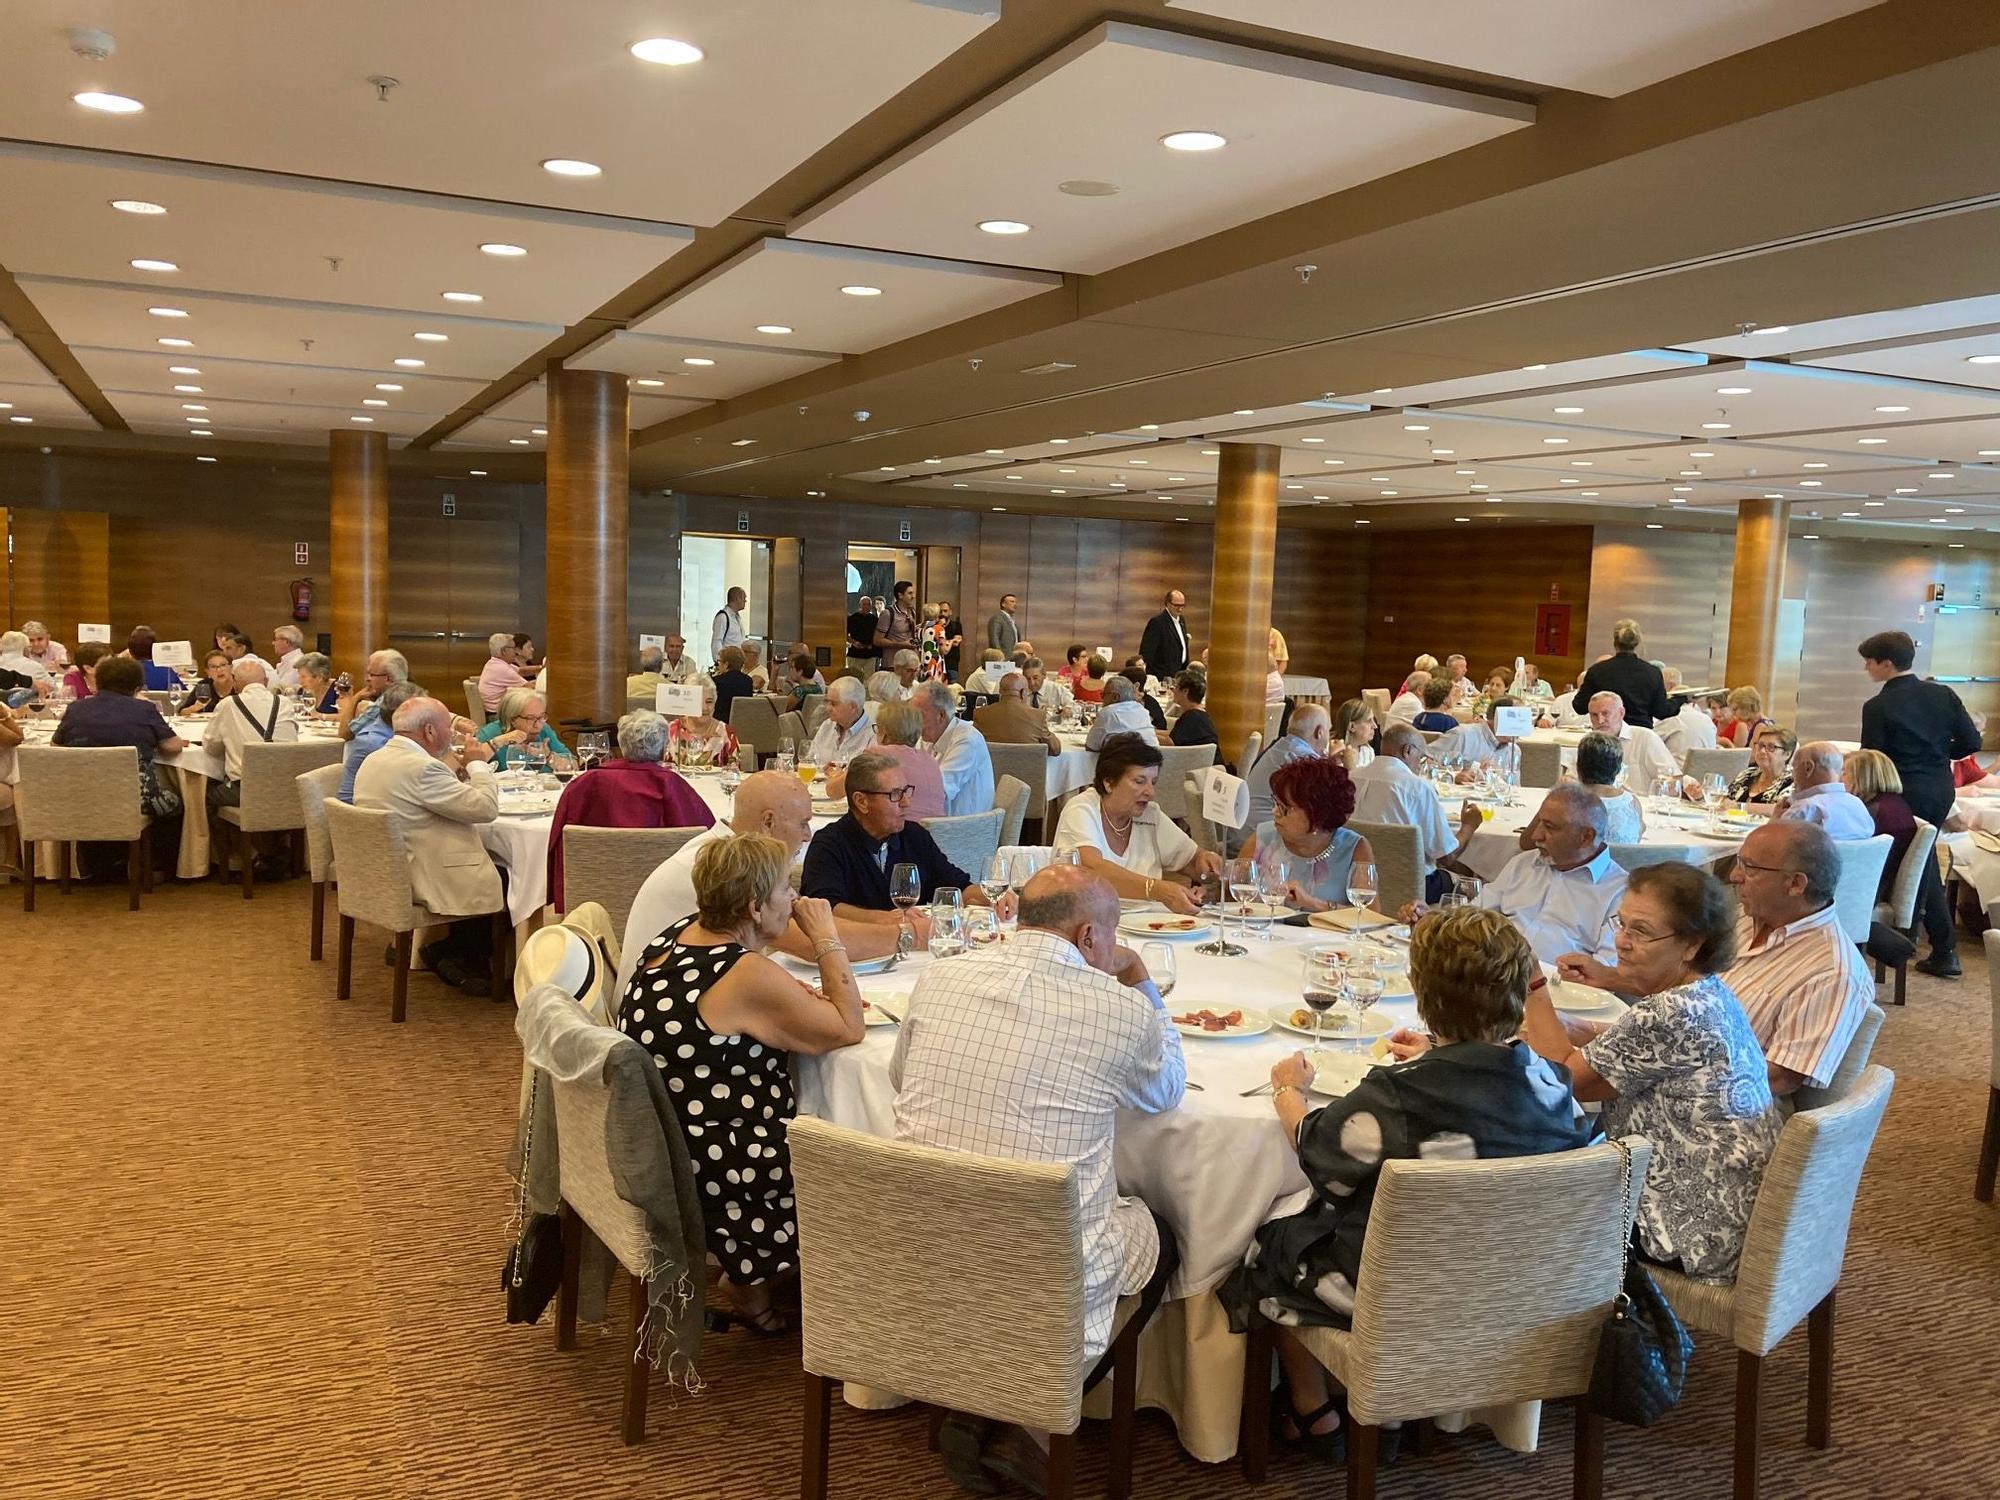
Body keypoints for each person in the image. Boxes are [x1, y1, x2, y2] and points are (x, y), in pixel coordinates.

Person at [1222, 907, 1587, 1457]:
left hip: (1401, 1296)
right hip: (1521, 1292)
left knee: (1271, 1243)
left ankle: (1313, 1409)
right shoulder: (1549, 1081)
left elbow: (1319, 1149)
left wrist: (1286, 1093)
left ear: (1422, 993)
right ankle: (1393, 1416)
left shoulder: (1396, 1096)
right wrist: (1440, 1059)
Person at [893, 865, 1185, 1492]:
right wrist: (1141, 983)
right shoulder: (1116, 1006)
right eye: (1111, 936)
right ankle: (1028, 1412)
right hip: (1044, 1262)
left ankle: (978, 1404)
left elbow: (900, 1078)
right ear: (1087, 936)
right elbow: (1166, 1093)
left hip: (921, 1244)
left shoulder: (940, 975)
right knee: (1164, 1231)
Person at [616, 833, 863, 1330]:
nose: (794, 901)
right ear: (754, 906)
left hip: (666, 1141)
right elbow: (848, 1026)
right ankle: (781, 1282)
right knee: (863, 1166)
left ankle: (757, 1280)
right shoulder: (743, 972)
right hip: (726, 1166)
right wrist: (825, 937)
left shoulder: (675, 937)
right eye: (784, 891)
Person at [1527, 863, 1781, 1279]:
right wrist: (1582, 1028)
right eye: (1622, 925)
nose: (1621, 942)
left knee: (1520, 1197)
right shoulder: (1708, 992)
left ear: (1691, 945)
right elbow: (1655, 1049)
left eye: (1641, 932)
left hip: (1685, 1230)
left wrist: (1533, 985)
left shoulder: (1667, 1013)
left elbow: (1567, 1081)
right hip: (1732, 1209)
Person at [617, 772, 900, 997]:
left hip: (670, 998)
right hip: (668, 1020)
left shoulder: (721, 852)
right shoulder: (727, 869)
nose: (807, 836)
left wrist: (888, 922)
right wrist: (908, 934)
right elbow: (812, 941)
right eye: (803, 823)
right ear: (767, 822)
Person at [353, 696, 503, 991]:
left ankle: (447, 948)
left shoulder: (376, 758)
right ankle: (465, 957)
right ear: (430, 732)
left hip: (385, 869)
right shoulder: (422, 769)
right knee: (507, 872)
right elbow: (486, 809)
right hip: (420, 873)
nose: (453, 734)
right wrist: (478, 767)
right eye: (449, 727)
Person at [1858, 629, 1979, 979]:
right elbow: (1971, 740)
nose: (1867, 668)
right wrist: (1940, 753)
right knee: (1922, 859)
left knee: (1920, 861)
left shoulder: (1878, 706)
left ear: (1887, 663)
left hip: (1903, 791)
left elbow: (1874, 758)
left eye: (1870, 661)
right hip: (1940, 787)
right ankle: (1921, 938)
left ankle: (1941, 947)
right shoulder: (1942, 694)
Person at [799, 750, 999, 927]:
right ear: (861, 801)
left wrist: (995, 898)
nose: (906, 802)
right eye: (895, 794)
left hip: (914, 949)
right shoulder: (830, 845)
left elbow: (957, 886)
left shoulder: (914, 836)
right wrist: (885, 919)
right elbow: (824, 907)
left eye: (906, 791)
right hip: (859, 954)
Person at [544, 709, 715, 909]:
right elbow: (704, 841)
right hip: (661, 900)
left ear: (622, 745)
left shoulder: (584, 784)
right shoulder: (671, 785)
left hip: (592, 898)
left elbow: (558, 843)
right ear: (663, 748)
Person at [1053, 734, 1220, 913]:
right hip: (1088, 922)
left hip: (1146, 927)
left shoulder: (1150, 815)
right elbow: (1091, 869)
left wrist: (1206, 867)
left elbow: (1192, 863)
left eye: (1153, 782)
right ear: (1109, 782)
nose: (1150, 792)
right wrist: (1157, 890)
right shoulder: (1082, 809)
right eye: (1139, 781)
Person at [1462, 783, 1627, 964]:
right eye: (1539, 822)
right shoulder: (1524, 863)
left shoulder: (1619, 892)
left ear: (1586, 837)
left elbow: (1605, 969)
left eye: (1550, 827)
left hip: (1560, 986)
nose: (1536, 836)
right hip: (1494, 973)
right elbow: (1472, 916)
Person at [50, 654, 187, 831]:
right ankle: (155, 858)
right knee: (175, 806)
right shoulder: (143, 709)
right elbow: (173, 747)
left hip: (82, 795)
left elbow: (56, 747)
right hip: (135, 798)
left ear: (98, 682)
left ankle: (94, 857)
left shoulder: (76, 708)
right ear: (137, 687)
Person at [1352, 723, 1480, 901]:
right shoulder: (1417, 788)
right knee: (1476, 880)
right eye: (1420, 758)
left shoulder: (1351, 778)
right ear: (1407, 750)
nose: (1419, 767)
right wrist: (1469, 826)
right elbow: (1447, 856)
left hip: (1357, 880)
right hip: (1413, 887)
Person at [1243, 756, 1372, 911]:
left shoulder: (1354, 849)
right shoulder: (1263, 838)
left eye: (1285, 807)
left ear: (1317, 815)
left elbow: (1368, 917)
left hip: (1327, 935)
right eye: (1276, 803)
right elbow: (1233, 895)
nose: (1274, 812)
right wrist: (1213, 881)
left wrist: (1313, 904)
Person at [202, 659, 300, 810]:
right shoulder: (285, 703)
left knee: (200, 794)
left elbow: (211, 748)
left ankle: (221, 833)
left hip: (245, 790)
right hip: (286, 789)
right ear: (266, 681)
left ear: (234, 682)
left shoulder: (228, 704)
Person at [826, 698, 944, 815]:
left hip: (898, 830)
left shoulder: (877, 756)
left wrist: (834, 777)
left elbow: (833, 791)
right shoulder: (930, 760)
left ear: (884, 735)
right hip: (936, 832)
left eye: (877, 728)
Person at [1244, 703, 1331, 837]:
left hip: (1246, 834)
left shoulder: (1280, 748)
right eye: (1329, 732)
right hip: (1261, 842)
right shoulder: (1302, 759)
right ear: (1319, 733)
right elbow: (1326, 805)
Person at [1570, 619, 1673, 727]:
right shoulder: (1652, 673)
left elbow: (1579, 707)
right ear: (1638, 643)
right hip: (1639, 735)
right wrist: (1680, 699)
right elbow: (1662, 711)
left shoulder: (1597, 671)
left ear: (1614, 642)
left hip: (1606, 734)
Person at [914, 679, 994, 817]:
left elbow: (939, 790)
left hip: (962, 829)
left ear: (941, 715)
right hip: (938, 820)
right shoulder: (927, 736)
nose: (914, 722)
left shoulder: (967, 740)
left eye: (919, 716)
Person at [338, 679, 422, 804]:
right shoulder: (376, 744)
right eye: (421, 711)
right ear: (403, 714)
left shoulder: (392, 731)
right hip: (363, 815)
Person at [1587, 691, 1682, 796]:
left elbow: (1672, 780)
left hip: (1642, 806)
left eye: (1605, 713)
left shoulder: (1645, 738)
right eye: (1594, 715)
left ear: (1621, 713)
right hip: (1600, 807)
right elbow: (1572, 778)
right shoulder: (1589, 744)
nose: (1600, 720)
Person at [1776, 741, 1874, 839]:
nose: (1792, 777)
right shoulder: (1858, 805)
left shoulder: (1804, 810)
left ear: (1808, 768)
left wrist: (1774, 821)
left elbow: (1770, 848)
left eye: (1794, 768)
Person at [1574, 730, 1646, 844]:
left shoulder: (1565, 801)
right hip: (1623, 862)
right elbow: (1637, 838)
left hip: (1581, 862)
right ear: (1617, 770)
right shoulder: (1632, 803)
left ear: (1578, 766)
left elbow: (1535, 840)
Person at [475, 688, 573, 770]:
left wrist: (549, 757)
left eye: (542, 716)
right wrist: (498, 742)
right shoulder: (490, 733)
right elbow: (470, 767)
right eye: (530, 718)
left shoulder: (544, 730)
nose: (538, 725)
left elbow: (574, 766)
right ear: (512, 719)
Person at [974, 672, 1062, 755]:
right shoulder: (1038, 716)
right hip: (1028, 770)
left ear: (1000, 691)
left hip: (992, 770)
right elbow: (1055, 750)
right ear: (1023, 692)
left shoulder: (981, 714)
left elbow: (972, 746)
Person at [806, 675, 875, 772]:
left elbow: (868, 776)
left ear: (852, 708)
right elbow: (809, 761)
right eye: (827, 702)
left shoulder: (872, 735)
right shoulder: (827, 725)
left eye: (834, 704)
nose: (828, 708)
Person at [1721, 722, 1796, 806]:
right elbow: (1725, 801)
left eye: (1771, 747)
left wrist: (1738, 807)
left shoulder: (1793, 781)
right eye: (1760, 745)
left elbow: (1779, 809)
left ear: (1787, 754)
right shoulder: (1747, 774)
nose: (1762, 751)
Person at [667, 678, 739, 766]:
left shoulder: (727, 733)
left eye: (709, 702)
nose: (705, 708)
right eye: (698, 702)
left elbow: (734, 772)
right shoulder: (670, 731)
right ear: (687, 703)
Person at [1084, 674, 1157, 750]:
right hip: (1151, 759)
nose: (1102, 699)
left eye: (1103, 695)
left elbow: (1090, 746)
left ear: (1115, 697)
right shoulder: (1143, 710)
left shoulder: (1107, 712)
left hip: (1122, 760)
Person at [1138, 589, 1191, 679]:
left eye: (1182, 605)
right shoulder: (1157, 622)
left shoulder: (1182, 620)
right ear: (1168, 604)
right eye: (1177, 605)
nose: (1180, 608)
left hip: (1179, 674)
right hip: (1162, 676)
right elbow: (1147, 652)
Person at [1659, 684, 1721, 761]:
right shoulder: (1707, 719)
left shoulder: (1671, 718)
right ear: (1694, 703)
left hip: (1679, 771)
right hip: (1707, 770)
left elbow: (1650, 741)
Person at [477, 632, 529, 714]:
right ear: (504, 651)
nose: (516, 652)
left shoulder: (494, 663)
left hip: (492, 710)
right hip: (496, 715)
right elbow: (528, 687)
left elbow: (521, 671)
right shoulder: (502, 669)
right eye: (513, 648)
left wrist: (542, 668)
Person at [1168, 671, 1219, 753]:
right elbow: (1174, 734)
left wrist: (1145, 735)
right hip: (1208, 764)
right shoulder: (1200, 715)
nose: (1173, 690)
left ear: (1185, 692)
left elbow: (1171, 742)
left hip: (1200, 765)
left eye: (1176, 687)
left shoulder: (1191, 717)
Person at [120, 628, 183, 692]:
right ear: (154, 649)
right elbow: (184, 696)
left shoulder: (122, 674)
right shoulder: (168, 673)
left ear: (130, 651)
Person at [710, 645, 756, 727]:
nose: (718, 665)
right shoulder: (748, 680)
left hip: (720, 723)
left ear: (726, 664)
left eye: (719, 662)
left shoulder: (716, 681)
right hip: (743, 723)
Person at [180, 651, 235, 715]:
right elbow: (182, 712)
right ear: (207, 671)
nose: (219, 670)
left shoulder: (240, 683)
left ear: (230, 667)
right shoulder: (204, 685)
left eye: (223, 665)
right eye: (213, 667)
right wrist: (194, 708)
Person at [1331, 698, 1376, 773]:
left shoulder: (1368, 751)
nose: (1375, 726)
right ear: (1352, 726)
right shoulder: (1333, 753)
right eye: (1369, 721)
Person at [878, 580, 920, 656]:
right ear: (900, 595)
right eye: (910, 593)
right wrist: (900, 644)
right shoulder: (888, 614)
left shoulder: (912, 611)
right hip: (893, 662)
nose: (913, 596)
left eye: (913, 593)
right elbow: (877, 640)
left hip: (910, 659)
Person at [709, 586, 748, 665]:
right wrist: (719, 662)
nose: (745, 601)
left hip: (737, 662)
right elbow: (717, 641)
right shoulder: (723, 617)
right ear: (737, 598)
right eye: (743, 598)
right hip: (727, 663)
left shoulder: (737, 617)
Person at [845, 594, 881, 677]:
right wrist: (854, 642)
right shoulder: (852, 618)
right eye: (864, 604)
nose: (866, 607)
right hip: (855, 654)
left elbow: (878, 635)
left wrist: (872, 644)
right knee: (854, 678)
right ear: (860, 605)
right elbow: (845, 634)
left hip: (870, 654)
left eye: (868, 604)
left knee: (869, 679)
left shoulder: (874, 619)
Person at [269, 625, 305, 693]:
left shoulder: (297, 662)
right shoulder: (288, 660)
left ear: (286, 642)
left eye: (276, 639)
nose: (273, 643)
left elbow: (281, 689)